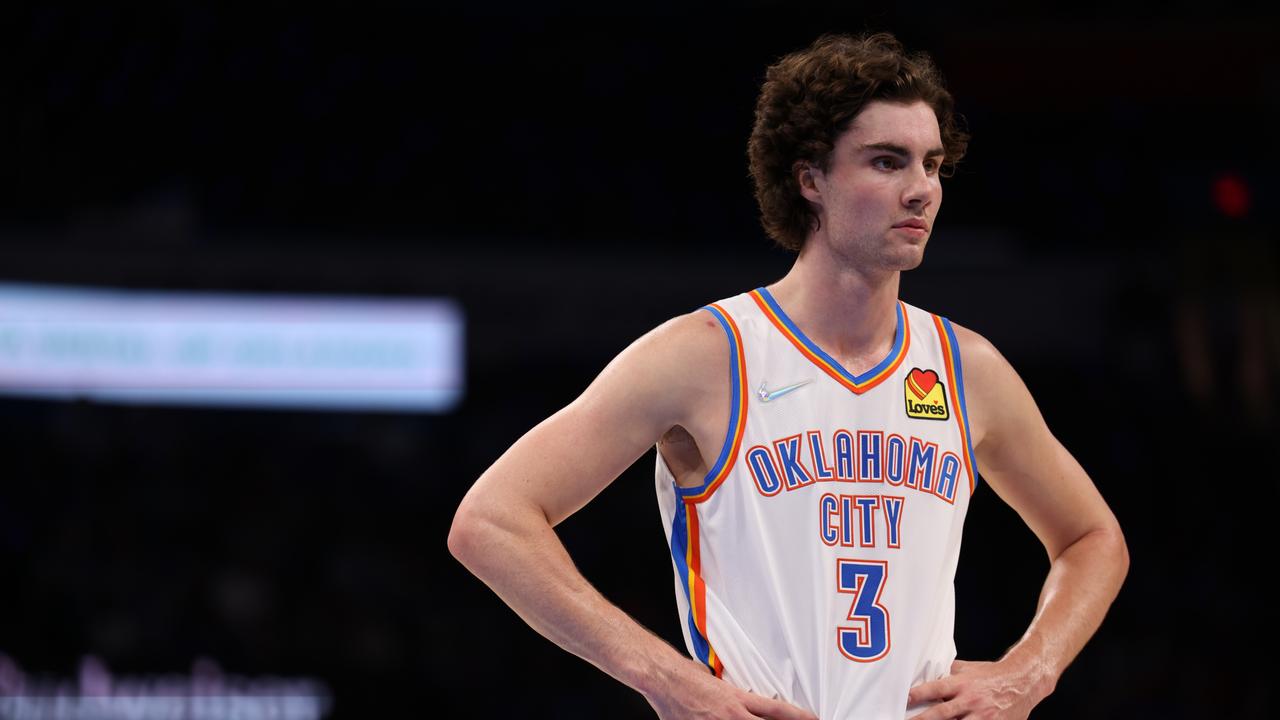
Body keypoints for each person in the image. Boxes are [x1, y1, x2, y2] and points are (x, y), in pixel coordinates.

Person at [448, 32, 1128, 720]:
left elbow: (1093, 539)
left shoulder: (965, 368)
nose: (921, 190)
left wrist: (1028, 673)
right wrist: (666, 679)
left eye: (932, 164)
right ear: (810, 180)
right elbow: (491, 523)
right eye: (887, 162)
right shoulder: (709, 353)